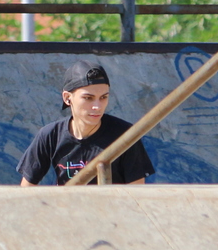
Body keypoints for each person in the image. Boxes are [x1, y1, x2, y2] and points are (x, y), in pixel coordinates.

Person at [17, 59, 154, 186]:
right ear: (67, 98)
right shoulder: (50, 135)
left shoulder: (125, 135)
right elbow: (27, 190)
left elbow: (137, 194)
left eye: (103, 97)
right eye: (88, 98)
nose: (97, 106)